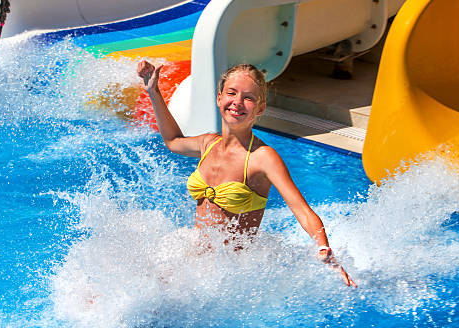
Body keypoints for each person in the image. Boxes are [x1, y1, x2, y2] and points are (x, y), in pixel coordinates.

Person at [137, 61, 356, 287]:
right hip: (195, 257)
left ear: (259, 109)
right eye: (231, 93)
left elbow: (302, 211)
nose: (238, 102)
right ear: (219, 98)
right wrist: (153, 91)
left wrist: (323, 248)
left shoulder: (262, 157)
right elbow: (172, 141)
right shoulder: (208, 144)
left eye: (249, 98)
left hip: (227, 273)